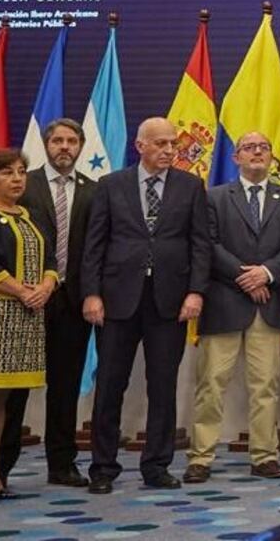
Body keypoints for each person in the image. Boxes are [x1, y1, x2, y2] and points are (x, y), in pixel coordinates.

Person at [82, 117, 211, 494]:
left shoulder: (191, 186)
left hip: (169, 302)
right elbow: (95, 245)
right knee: (109, 386)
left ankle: (156, 465)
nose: (170, 150)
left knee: (163, 386)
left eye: (173, 144)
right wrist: (91, 293)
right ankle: (103, 467)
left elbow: (200, 244)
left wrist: (195, 291)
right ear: (140, 146)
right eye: (161, 144)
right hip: (117, 300)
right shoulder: (111, 185)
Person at [183, 132, 280, 483]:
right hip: (223, 303)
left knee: (265, 386)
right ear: (236, 158)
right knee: (210, 385)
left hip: (267, 305)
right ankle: (201, 458)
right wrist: (245, 277)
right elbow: (207, 244)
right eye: (248, 148)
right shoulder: (214, 197)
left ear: (271, 156)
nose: (256, 152)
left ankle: (264, 456)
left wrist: (266, 273)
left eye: (263, 147)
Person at [0, 120, 94, 488]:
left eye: (72, 141)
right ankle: (0, 466)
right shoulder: (24, 185)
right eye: (57, 141)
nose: (64, 147)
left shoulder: (94, 190)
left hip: (73, 302)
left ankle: (61, 464)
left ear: (81, 146)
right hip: (27, 300)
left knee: (65, 386)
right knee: (15, 388)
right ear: (47, 144)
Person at [0, 149, 57, 504]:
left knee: (1, 402)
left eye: (21, 171)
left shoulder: (31, 215)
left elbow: (50, 259)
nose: (18, 178)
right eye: (7, 173)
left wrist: (47, 285)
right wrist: (22, 290)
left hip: (25, 318)